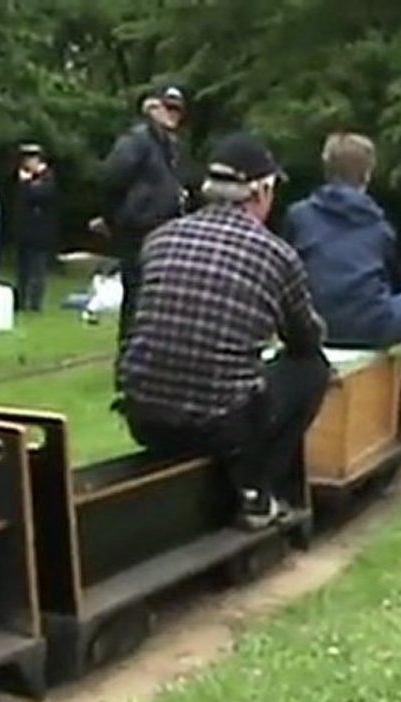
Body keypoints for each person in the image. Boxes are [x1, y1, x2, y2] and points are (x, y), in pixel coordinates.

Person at [117, 131, 330, 530]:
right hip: (218, 426)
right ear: (261, 193)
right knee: (311, 369)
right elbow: (306, 339)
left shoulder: (158, 240)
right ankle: (257, 491)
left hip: (144, 417)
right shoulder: (275, 254)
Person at [283, 133, 401, 451]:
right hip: (369, 325)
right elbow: (394, 279)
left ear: (326, 169)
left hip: (311, 325)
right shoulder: (379, 226)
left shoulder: (298, 216)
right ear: (368, 175)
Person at [98, 86, 188, 348]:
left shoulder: (170, 146)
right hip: (139, 230)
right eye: (168, 107)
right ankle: (128, 357)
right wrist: (114, 218)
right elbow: (111, 179)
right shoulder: (136, 141)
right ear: (151, 107)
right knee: (137, 296)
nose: (173, 115)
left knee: (158, 297)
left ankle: (151, 354)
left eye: (178, 110)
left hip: (165, 229)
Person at [12, 143, 59, 311]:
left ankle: (35, 303)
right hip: (24, 230)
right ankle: (21, 301)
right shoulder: (23, 178)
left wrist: (26, 184)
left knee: (37, 269)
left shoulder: (46, 177)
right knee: (22, 270)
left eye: (30, 158)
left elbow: (40, 195)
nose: (27, 162)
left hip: (40, 232)